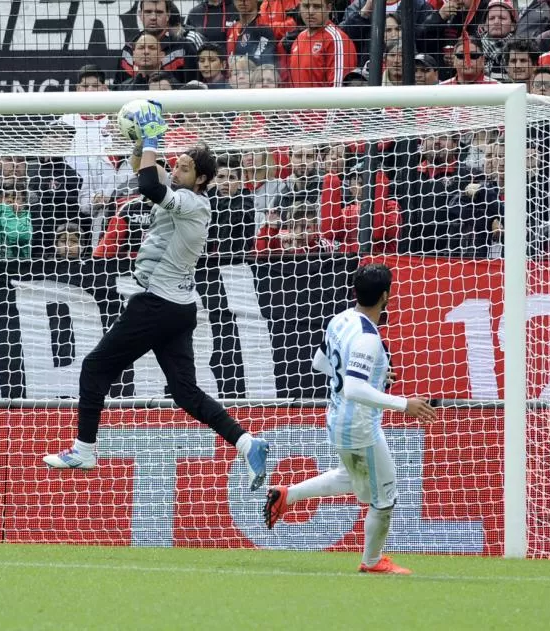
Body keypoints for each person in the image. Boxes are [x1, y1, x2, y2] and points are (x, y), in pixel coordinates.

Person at [44, 100, 270, 492]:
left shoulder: (192, 203)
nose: (176, 169)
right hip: (178, 307)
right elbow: (145, 171)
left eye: (184, 167)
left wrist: (151, 138)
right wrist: (140, 144)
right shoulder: (186, 195)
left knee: (95, 368)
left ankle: (84, 448)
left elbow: (149, 184)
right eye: (176, 164)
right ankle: (248, 442)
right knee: (184, 391)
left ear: (201, 179)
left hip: (157, 303)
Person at [263, 263, 437, 575]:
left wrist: (376, 375)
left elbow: (320, 363)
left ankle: (287, 495)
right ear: (386, 296)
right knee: (385, 498)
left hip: (338, 419)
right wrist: (404, 404)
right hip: (359, 426)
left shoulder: (340, 319)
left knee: (350, 476)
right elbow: (355, 387)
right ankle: (371, 562)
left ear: (355, 292)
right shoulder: (369, 338)